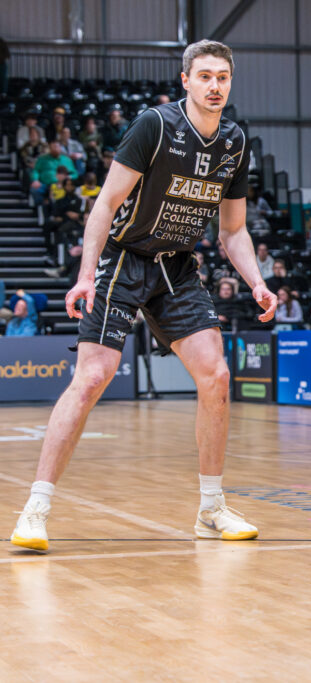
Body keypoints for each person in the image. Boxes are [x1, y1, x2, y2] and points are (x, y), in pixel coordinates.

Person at [10, 40, 277, 554]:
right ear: (186, 80)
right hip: (123, 259)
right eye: (205, 76)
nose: (215, 85)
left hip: (176, 266)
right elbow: (106, 204)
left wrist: (257, 280)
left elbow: (234, 231)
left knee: (215, 375)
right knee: (92, 378)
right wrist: (85, 274)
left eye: (223, 76)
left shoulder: (235, 143)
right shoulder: (155, 126)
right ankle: (36, 509)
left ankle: (210, 507)